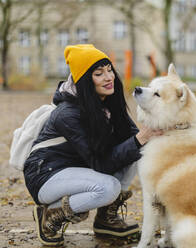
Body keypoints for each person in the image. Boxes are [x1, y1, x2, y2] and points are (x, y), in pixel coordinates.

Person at [23, 44, 162, 246]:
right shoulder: (68, 114)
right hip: (46, 175)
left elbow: (132, 138)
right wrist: (140, 139)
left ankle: (106, 217)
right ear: (86, 81)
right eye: (99, 74)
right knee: (108, 187)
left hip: (77, 168)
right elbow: (102, 164)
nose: (109, 77)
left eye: (109, 70)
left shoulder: (107, 101)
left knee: (136, 150)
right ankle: (50, 215)